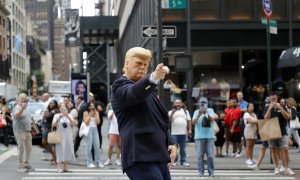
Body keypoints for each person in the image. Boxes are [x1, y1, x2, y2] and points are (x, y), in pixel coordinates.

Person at [111, 47, 177, 180]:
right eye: (138, 63)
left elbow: (159, 120)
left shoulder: (149, 91)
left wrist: (171, 143)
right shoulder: (119, 85)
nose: (142, 67)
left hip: (158, 156)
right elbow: (134, 93)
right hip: (140, 155)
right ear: (126, 64)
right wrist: (153, 78)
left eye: (145, 64)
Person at [264, 93, 295, 175]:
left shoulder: (282, 105)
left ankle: (286, 168)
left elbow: (288, 117)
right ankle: (276, 168)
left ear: (277, 98)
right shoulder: (267, 107)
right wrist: (269, 109)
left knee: (285, 149)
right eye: (272, 97)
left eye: (275, 97)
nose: (273, 98)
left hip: (282, 131)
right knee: (273, 149)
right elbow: (266, 118)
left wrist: (281, 108)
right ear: (270, 98)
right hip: (271, 131)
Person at [192, 97, 218, 177]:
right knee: (200, 156)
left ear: (207, 104)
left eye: (204, 103)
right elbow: (193, 122)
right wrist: (199, 114)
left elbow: (212, 120)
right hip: (199, 137)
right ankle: (201, 172)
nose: (203, 105)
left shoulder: (210, 110)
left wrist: (206, 113)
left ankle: (211, 172)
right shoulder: (196, 111)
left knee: (210, 155)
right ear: (199, 103)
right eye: (201, 103)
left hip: (209, 136)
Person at [12, 93, 35, 172]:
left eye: (25, 98)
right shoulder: (17, 107)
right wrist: (22, 108)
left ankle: (26, 164)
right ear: (18, 99)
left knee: (28, 148)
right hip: (20, 131)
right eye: (22, 98)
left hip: (27, 131)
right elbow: (16, 116)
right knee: (21, 148)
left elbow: (28, 119)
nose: (23, 99)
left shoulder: (25, 108)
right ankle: (20, 166)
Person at [52, 104, 76, 173]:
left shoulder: (70, 115)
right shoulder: (57, 115)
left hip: (68, 135)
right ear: (60, 109)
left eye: (64, 108)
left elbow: (73, 124)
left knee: (67, 150)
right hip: (60, 135)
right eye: (62, 108)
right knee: (60, 150)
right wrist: (60, 117)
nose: (63, 109)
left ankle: (65, 167)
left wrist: (68, 116)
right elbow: (53, 124)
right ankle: (58, 167)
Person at [168, 99, 192, 167]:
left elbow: (189, 121)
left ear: (181, 104)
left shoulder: (185, 111)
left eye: (179, 103)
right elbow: (168, 120)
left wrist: (190, 130)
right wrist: (172, 112)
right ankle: (174, 161)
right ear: (174, 104)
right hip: (174, 133)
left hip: (183, 133)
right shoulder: (170, 112)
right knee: (174, 149)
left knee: (183, 148)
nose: (178, 104)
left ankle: (183, 161)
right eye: (176, 103)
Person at [83, 102, 104, 168]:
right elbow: (86, 123)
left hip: (95, 130)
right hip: (88, 129)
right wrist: (90, 115)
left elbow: (98, 122)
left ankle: (98, 161)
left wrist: (95, 115)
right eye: (91, 106)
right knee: (89, 147)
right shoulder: (86, 113)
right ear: (88, 107)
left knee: (97, 146)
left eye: (93, 106)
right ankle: (89, 162)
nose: (92, 107)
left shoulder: (96, 112)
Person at [42, 100, 59, 165]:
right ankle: (53, 155)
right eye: (50, 103)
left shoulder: (55, 111)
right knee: (45, 142)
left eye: (53, 103)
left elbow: (57, 119)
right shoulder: (49, 111)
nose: (51, 104)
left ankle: (55, 158)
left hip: (52, 128)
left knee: (53, 144)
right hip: (47, 128)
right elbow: (44, 119)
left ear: (55, 104)